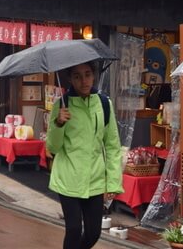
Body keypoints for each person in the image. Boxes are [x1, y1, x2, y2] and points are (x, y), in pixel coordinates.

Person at [47, 61, 123, 249]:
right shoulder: (61, 106)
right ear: (70, 79)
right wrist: (58, 124)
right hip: (68, 178)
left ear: (94, 75)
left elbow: (112, 145)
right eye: (77, 76)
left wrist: (113, 180)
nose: (83, 81)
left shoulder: (104, 104)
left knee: (93, 233)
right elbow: (53, 148)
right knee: (73, 229)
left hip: (94, 179)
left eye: (87, 74)